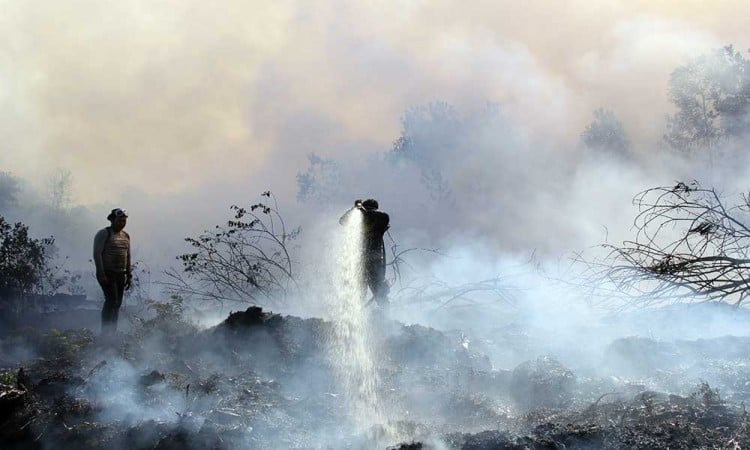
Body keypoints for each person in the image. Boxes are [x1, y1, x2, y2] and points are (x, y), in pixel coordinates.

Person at [339, 199, 390, 305]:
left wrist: (361, 210)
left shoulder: (380, 218)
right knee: (360, 292)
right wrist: (355, 209)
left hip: (372, 261)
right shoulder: (360, 219)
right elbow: (342, 221)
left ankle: (386, 317)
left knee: (378, 292)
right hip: (362, 260)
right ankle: (359, 316)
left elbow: (380, 217)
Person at [93, 208, 132, 334]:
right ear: (112, 220)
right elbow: (97, 254)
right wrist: (101, 273)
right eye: (119, 220)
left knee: (117, 303)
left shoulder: (126, 236)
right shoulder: (104, 234)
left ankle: (112, 332)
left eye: (124, 221)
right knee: (111, 300)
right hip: (108, 273)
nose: (122, 223)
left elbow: (128, 255)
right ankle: (105, 332)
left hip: (121, 273)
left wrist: (128, 273)